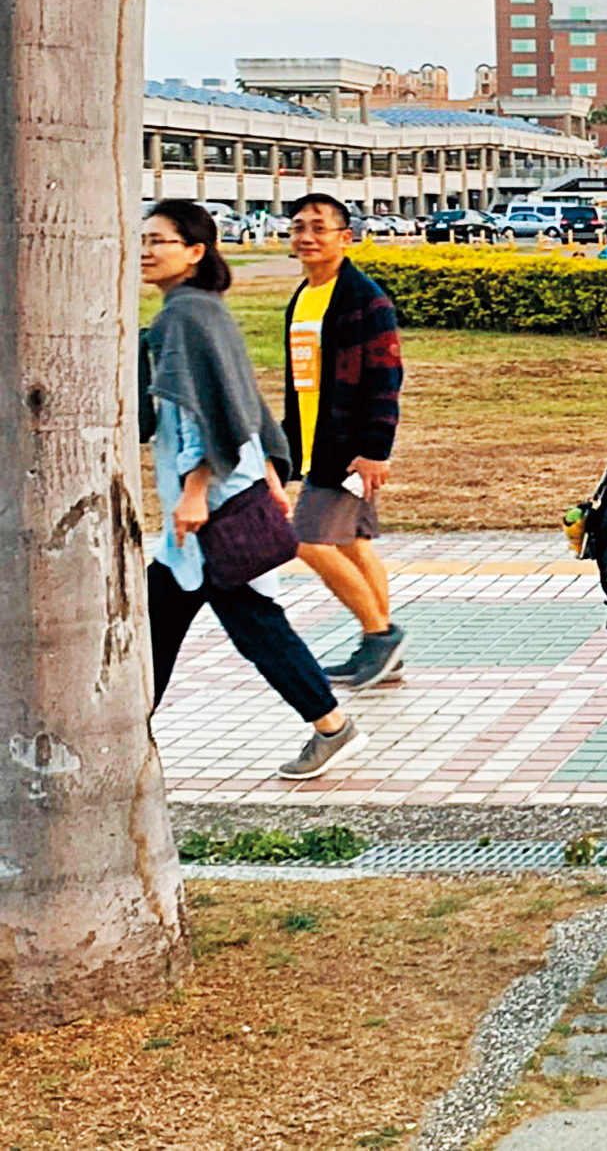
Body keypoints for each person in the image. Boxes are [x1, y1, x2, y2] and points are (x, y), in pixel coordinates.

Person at [140, 201, 364, 778]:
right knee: (202, 620)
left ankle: (331, 724)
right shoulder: (199, 310)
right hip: (217, 502)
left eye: (158, 240)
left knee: (215, 622)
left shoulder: (183, 317)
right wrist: (268, 468)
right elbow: (243, 403)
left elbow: (208, 414)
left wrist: (195, 490)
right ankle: (330, 725)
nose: (146, 249)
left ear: (194, 252)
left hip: (211, 509)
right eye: (143, 238)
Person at [281, 193, 407, 691]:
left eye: (319, 228)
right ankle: (383, 656)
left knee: (307, 542)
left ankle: (380, 636)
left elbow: (385, 375)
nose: (306, 237)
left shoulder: (364, 298)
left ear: (344, 237)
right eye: (298, 228)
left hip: (349, 449)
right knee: (353, 545)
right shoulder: (304, 296)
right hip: (317, 442)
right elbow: (301, 381)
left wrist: (376, 449)